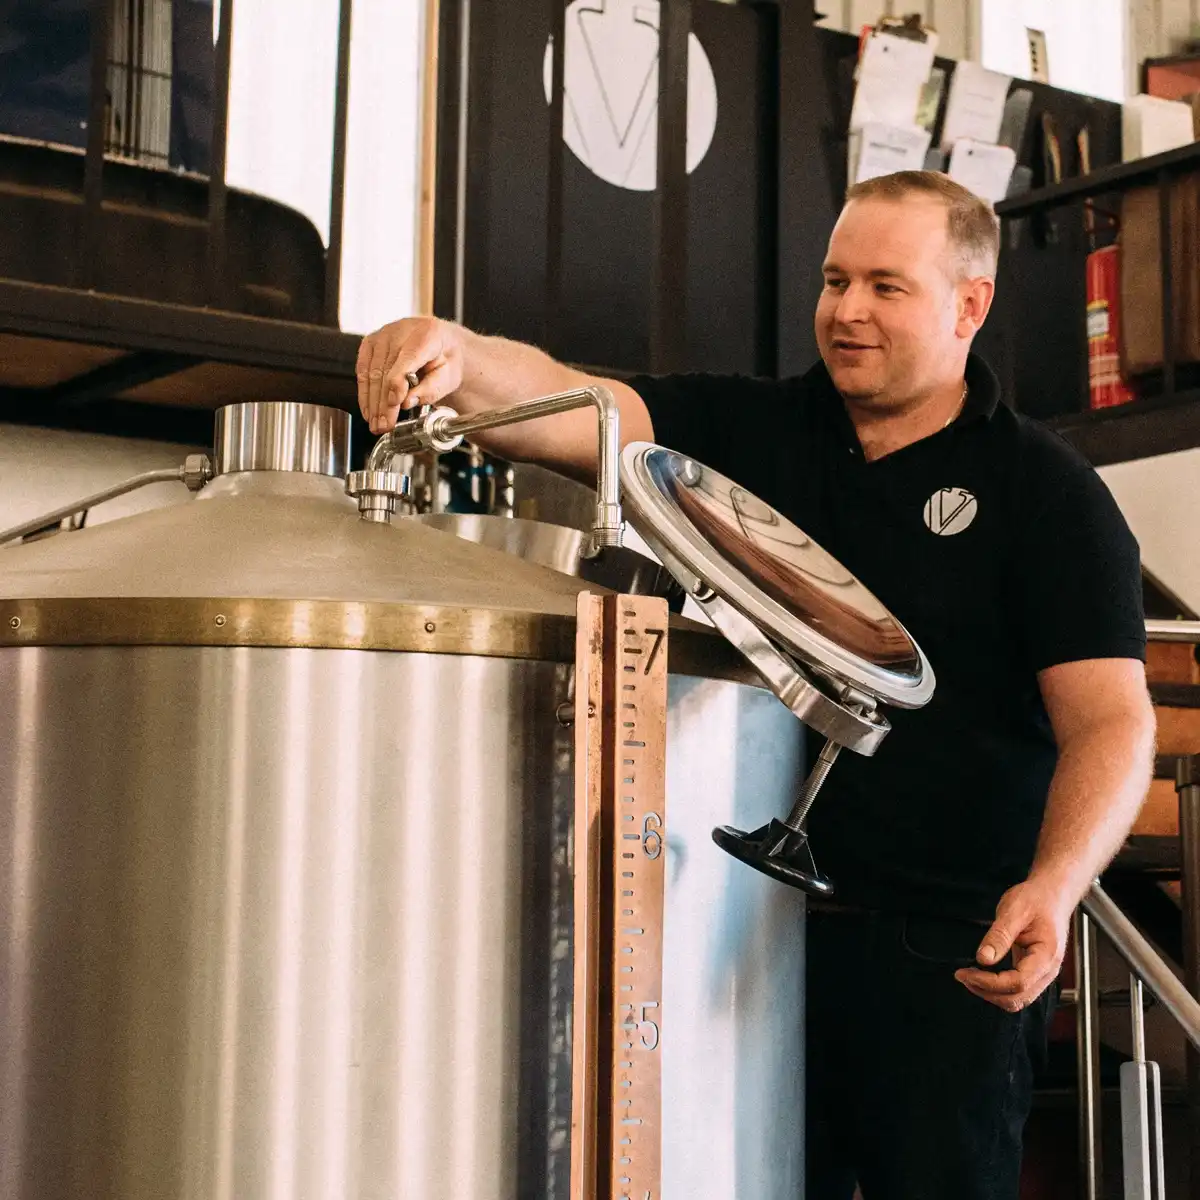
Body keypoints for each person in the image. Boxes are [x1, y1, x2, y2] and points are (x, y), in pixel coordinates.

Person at [356, 170, 1156, 1199]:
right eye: (833, 281)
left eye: (884, 285)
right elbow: (578, 407)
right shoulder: (749, 434)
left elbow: (1110, 725)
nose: (846, 311)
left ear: (970, 305)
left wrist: (1056, 884)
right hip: (735, 938)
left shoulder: (1048, 496)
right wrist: (455, 354)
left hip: (943, 951)